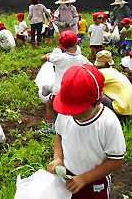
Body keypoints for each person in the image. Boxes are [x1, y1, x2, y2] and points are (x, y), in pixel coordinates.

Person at [47, 64, 126, 199]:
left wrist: (84, 178)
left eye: (79, 111)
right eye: (69, 109)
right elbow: (59, 136)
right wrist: (58, 158)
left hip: (95, 183)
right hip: (68, 176)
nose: (73, 115)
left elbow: (116, 160)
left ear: (99, 100)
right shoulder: (66, 115)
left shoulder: (108, 123)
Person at [40, 30, 90, 134]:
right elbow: (91, 68)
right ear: (76, 44)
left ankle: (50, 129)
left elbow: (43, 58)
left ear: (61, 46)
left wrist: (49, 54)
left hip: (59, 92)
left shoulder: (59, 57)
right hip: (76, 92)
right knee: (73, 111)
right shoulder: (82, 59)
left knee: (49, 105)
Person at [94, 50, 132, 119]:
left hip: (119, 111)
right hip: (128, 111)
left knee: (95, 91)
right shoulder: (115, 72)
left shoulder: (101, 73)